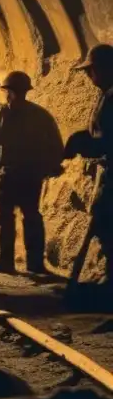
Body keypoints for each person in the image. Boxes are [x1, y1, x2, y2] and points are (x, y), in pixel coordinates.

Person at [0, 71, 64, 274]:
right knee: (22, 216)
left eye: (8, 91)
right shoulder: (34, 114)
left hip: (18, 174)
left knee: (15, 217)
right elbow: (56, 146)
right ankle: (25, 263)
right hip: (21, 174)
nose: (7, 95)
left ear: (11, 92)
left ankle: (16, 262)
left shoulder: (8, 114)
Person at [64, 44, 113, 285]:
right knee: (105, 226)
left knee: (106, 224)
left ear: (102, 69)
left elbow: (108, 141)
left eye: (89, 71)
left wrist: (84, 144)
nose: (88, 77)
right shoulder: (105, 95)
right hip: (107, 173)